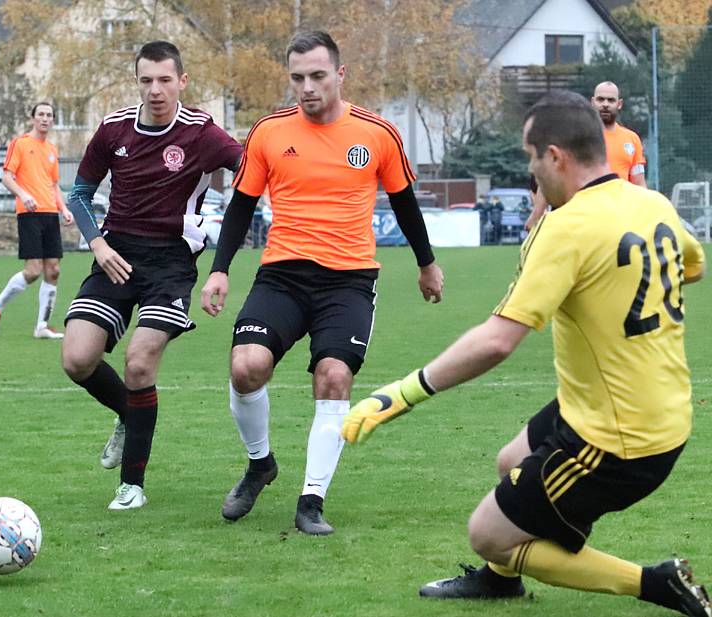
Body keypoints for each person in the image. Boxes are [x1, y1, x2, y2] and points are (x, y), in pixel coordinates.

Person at [342, 90, 709, 616]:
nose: (530, 169)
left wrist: (400, 394)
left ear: (555, 156)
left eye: (530, 157)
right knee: (511, 461)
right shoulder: (652, 203)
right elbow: (692, 266)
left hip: (620, 437)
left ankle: (658, 584)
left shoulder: (566, 227)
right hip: (643, 406)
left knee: (489, 534)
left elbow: (498, 339)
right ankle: (501, 583)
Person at [200, 31, 444, 536]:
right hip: (283, 275)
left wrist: (426, 264)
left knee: (333, 377)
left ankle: (311, 500)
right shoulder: (268, 132)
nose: (306, 87)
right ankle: (260, 463)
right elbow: (242, 203)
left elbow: (404, 202)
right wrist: (220, 269)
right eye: (297, 78)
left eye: (317, 76)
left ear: (339, 75)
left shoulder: (377, 134)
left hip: (349, 281)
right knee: (246, 367)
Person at [61, 40, 242, 510]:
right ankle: (128, 411)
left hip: (171, 262)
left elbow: (251, 169)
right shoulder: (113, 128)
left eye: (165, 80)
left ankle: (132, 485)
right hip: (116, 253)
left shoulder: (202, 132)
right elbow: (79, 194)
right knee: (77, 359)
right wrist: (97, 245)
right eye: (146, 80)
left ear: (182, 81)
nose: (156, 90)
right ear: (137, 81)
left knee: (140, 363)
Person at [0, 103, 74, 339]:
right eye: (41, 114)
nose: (45, 118)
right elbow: (6, 177)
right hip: (29, 214)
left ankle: (42, 326)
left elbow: (53, 184)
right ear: (33, 118)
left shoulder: (52, 149)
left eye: (49, 115)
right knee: (33, 271)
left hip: (49, 214)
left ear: (53, 120)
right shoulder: (20, 144)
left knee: (53, 270)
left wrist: (63, 208)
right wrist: (23, 194)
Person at [526, 81, 647, 230]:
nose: (605, 104)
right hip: (580, 219)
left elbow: (639, 183)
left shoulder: (631, 139)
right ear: (592, 102)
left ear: (619, 104)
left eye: (611, 100)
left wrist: (643, 215)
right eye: (600, 99)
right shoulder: (574, 135)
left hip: (618, 219)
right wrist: (536, 214)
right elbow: (552, 177)